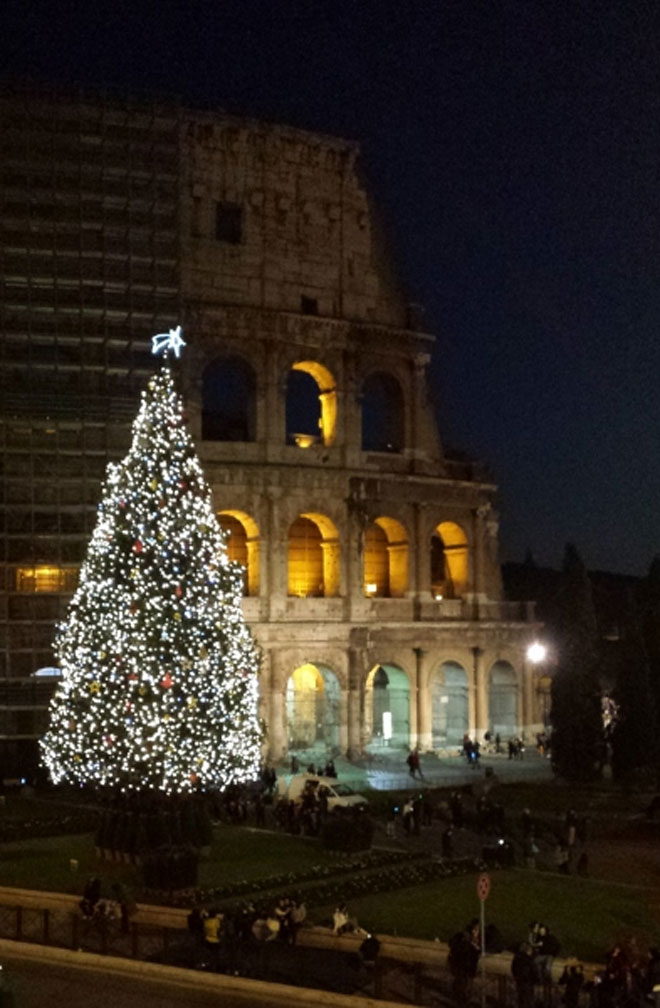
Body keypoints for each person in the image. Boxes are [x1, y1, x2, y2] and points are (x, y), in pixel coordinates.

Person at [448, 921, 481, 1006]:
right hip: (464, 969)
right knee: (463, 986)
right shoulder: (465, 942)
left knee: (464, 986)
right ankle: (462, 1000)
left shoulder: (468, 941)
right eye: (475, 930)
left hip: (463, 970)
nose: (477, 933)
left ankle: (462, 999)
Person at [511, 942, 536, 1008]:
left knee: (520, 997)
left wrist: (516, 976)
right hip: (527, 980)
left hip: (519, 979)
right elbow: (533, 969)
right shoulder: (528, 959)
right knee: (528, 998)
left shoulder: (517, 957)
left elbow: (513, 968)